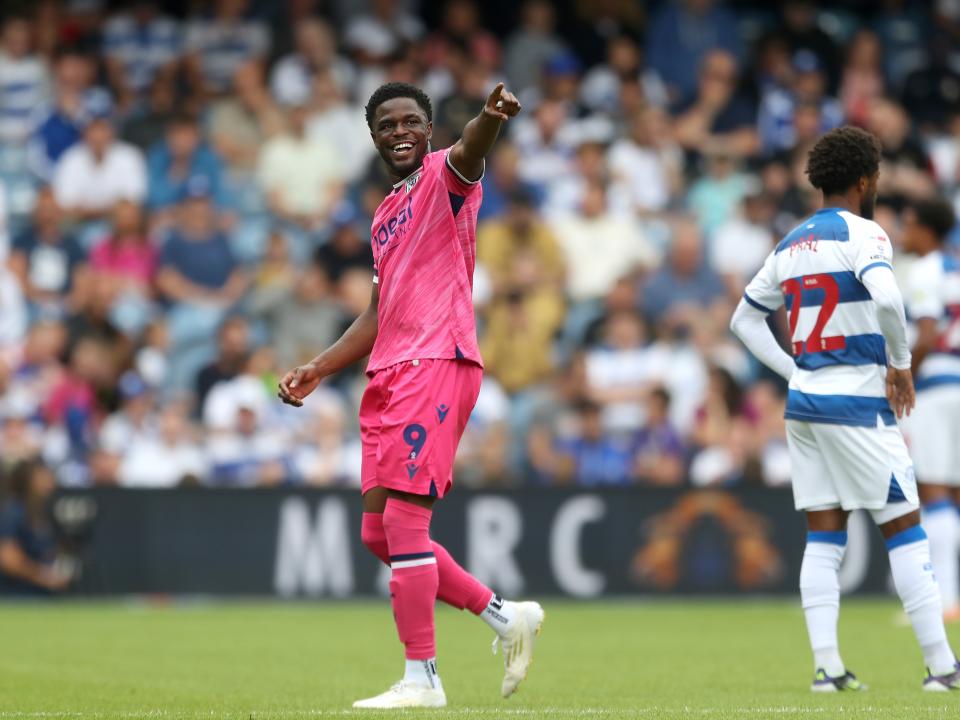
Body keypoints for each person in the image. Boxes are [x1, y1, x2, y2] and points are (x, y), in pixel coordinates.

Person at [278, 81, 544, 708]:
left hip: (436, 361)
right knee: (379, 533)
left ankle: (423, 677)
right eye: (386, 125)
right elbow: (377, 312)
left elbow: (472, 149)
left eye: (409, 122)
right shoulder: (383, 214)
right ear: (373, 137)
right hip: (388, 372)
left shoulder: (446, 174)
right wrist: (320, 367)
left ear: (428, 129)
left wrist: (489, 117)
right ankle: (506, 617)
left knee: (404, 521)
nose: (398, 132)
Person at [730, 126, 960, 690]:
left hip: (805, 405)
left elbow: (743, 321)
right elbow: (887, 297)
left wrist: (795, 371)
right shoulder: (867, 234)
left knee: (825, 535)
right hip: (857, 402)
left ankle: (827, 669)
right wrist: (900, 364)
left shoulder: (790, 243)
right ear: (865, 180)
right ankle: (941, 668)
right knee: (905, 528)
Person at [900, 198, 960, 622]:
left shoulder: (924, 270)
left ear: (926, 230)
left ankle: (944, 601)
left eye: (909, 223)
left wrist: (901, 378)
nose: (904, 231)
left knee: (934, 490)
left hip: (936, 389)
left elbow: (925, 333)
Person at [0, 460, 69, 595]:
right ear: (28, 481)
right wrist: (45, 577)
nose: (50, 482)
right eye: (43, 477)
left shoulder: (43, 512)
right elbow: (8, 559)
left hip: (42, 595)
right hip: (16, 595)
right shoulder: (13, 512)